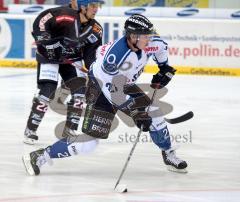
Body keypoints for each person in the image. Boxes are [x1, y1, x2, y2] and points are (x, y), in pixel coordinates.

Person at [22, 14, 188, 176]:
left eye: (150, 35)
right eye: (146, 36)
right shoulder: (114, 57)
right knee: (89, 143)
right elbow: (114, 93)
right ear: (132, 37)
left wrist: (164, 68)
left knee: (154, 112)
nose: (149, 39)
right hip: (101, 87)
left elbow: (161, 48)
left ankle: (168, 153)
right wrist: (136, 113)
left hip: (124, 82)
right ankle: (40, 156)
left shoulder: (151, 42)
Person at [23, 0, 104, 144]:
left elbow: (90, 55)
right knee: (47, 92)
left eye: (97, 6)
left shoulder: (96, 29)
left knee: (80, 92)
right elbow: (42, 20)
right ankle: (31, 129)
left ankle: (70, 129)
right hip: (49, 57)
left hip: (71, 60)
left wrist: (93, 69)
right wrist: (44, 38)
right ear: (82, 7)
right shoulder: (64, 15)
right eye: (92, 6)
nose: (96, 9)